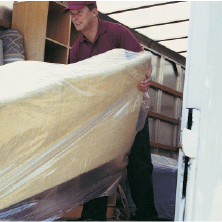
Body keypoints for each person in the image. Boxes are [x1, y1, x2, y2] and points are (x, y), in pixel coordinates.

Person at [64, 2, 157, 222]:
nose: (75, 18)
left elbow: (142, 60)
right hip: (101, 115)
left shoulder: (116, 33)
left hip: (131, 110)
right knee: (97, 165)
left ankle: (147, 216)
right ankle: (93, 217)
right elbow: (79, 85)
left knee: (139, 162)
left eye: (79, 12)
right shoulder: (77, 49)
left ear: (94, 12)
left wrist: (145, 78)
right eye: (72, 14)